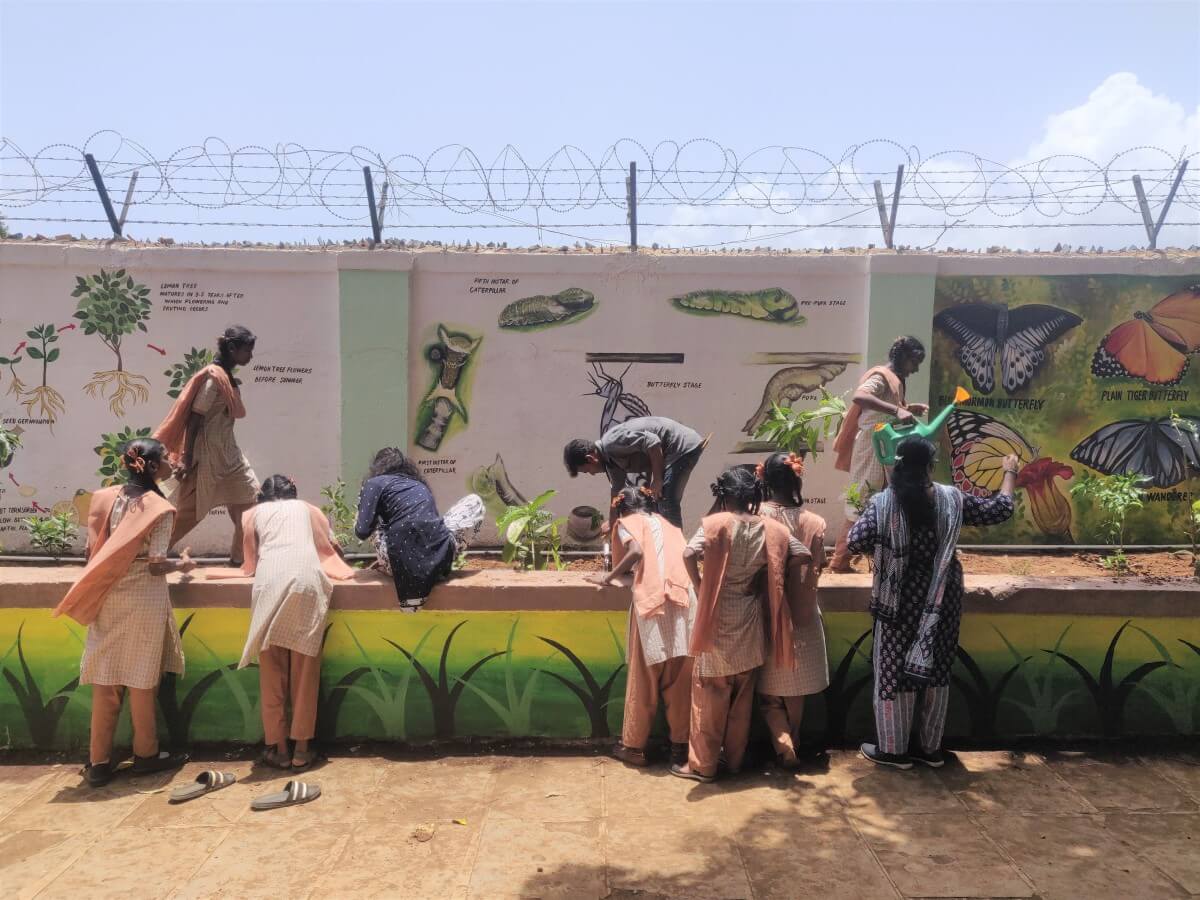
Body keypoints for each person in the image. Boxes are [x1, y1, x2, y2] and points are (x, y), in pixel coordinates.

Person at [848, 436, 1017, 770]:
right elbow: (1001, 509)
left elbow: (856, 541)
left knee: (894, 668)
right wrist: (1010, 472)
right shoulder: (952, 499)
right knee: (936, 666)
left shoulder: (885, 503)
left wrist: (886, 544)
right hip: (943, 597)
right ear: (929, 465)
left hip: (898, 600)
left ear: (898, 465)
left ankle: (894, 750)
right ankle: (930, 749)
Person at [53, 438, 195, 787]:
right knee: (142, 680)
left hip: (106, 595)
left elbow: (93, 550)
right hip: (143, 600)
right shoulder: (159, 509)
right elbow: (156, 565)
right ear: (150, 466)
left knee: (106, 679)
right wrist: (184, 564)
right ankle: (145, 755)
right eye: (164, 459)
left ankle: (99, 762)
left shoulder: (104, 498)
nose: (169, 463)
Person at [670, 466, 810, 783]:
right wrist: (767, 575)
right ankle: (733, 762)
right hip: (750, 622)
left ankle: (702, 766)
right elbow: (802, 556)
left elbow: (688, 553)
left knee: (709, 696)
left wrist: (700, 585)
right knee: (742, 698)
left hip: (716, 621)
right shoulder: (772, 529)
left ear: (724, 494)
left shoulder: (715, 524)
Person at [235, 475, 356, 770]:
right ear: (294, 493)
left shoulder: (251, 514)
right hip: (306, 584)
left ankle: (278, 749)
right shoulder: (309, 509)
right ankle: (302, 749)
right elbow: (330, 551)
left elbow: (248, 563)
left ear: (262, 496)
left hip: (268, 585)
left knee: (271, 671)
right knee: (305, 670)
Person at [588, 487, 695, 769]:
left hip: (652, 604)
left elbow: (635, 551)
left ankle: (634, 748)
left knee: (644, 678)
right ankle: (680, 749)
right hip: (683, 601)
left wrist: (606, 578)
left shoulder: (627, 523)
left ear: (622, 509)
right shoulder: (670, 526)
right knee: (680, 679)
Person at [154, 325, 260, 565]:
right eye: (247, 351)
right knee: (188, 515)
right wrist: (187, 457)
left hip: (230, 457)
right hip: (206, 457)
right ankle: (148, 556)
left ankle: (240, 559)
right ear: (232, 348)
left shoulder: (226, 377)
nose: (250, 357)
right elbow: (195, 418)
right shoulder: (214, 379)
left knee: (250, 503)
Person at [755, 451, 831, 768]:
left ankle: (783, 742)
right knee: (795, 686)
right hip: (803, 612)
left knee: (768, 690)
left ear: (764, 480)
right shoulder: (814, 522)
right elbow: (820, 564)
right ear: (797, 480)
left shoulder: (756, 517)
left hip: (764, 610)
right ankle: (794, 737)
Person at [829, 335, 928, 573]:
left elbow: (881, 411)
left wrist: (906, 409)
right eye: (915, 362)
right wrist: (896, 409)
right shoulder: (881, 376)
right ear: (903, 356)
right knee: (861, 501)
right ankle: (840, 561)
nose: (916, 369)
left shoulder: (895, 379)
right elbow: (861, 397)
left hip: (885, 445)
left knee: (884, 500)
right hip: (872, 447)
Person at [355, 447, 484, 610]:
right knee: (474, 501)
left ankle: (389, 566)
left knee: (366, 507)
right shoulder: (418, 485)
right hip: (441, 561)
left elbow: (362, 531)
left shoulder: (374, 483)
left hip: (398, 565)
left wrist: (367, 505)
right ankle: (425, 566)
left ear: (376, 469)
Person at [563, 416, 707, 528]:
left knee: (666, 501)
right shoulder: (610, 461)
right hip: (675, 451)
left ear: (590, 458)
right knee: (655, 504)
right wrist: (613, 522)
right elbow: (617, 491)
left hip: (680, 445)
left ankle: (676, 557)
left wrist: (657, 479)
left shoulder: (611, 443)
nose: (592, 474)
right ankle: (661, 554)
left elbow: (652, 441)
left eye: (587, 471)